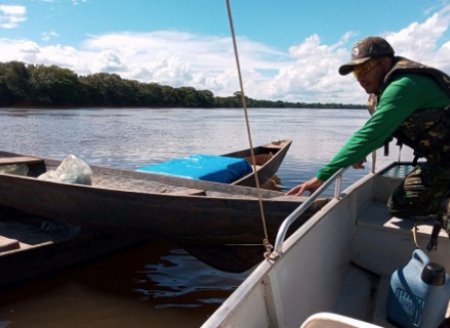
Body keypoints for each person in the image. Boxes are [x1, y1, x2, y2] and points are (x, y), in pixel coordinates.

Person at [287, 36, 450, 221]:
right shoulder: (378, 95)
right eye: (356, 72)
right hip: (442, 160)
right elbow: (380, 130)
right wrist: (358, 154)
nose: (361, 77)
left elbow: (369, 134)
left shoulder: (404, 86)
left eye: (365, 68)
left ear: (385, 62)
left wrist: (321, 177)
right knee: (401, 206)